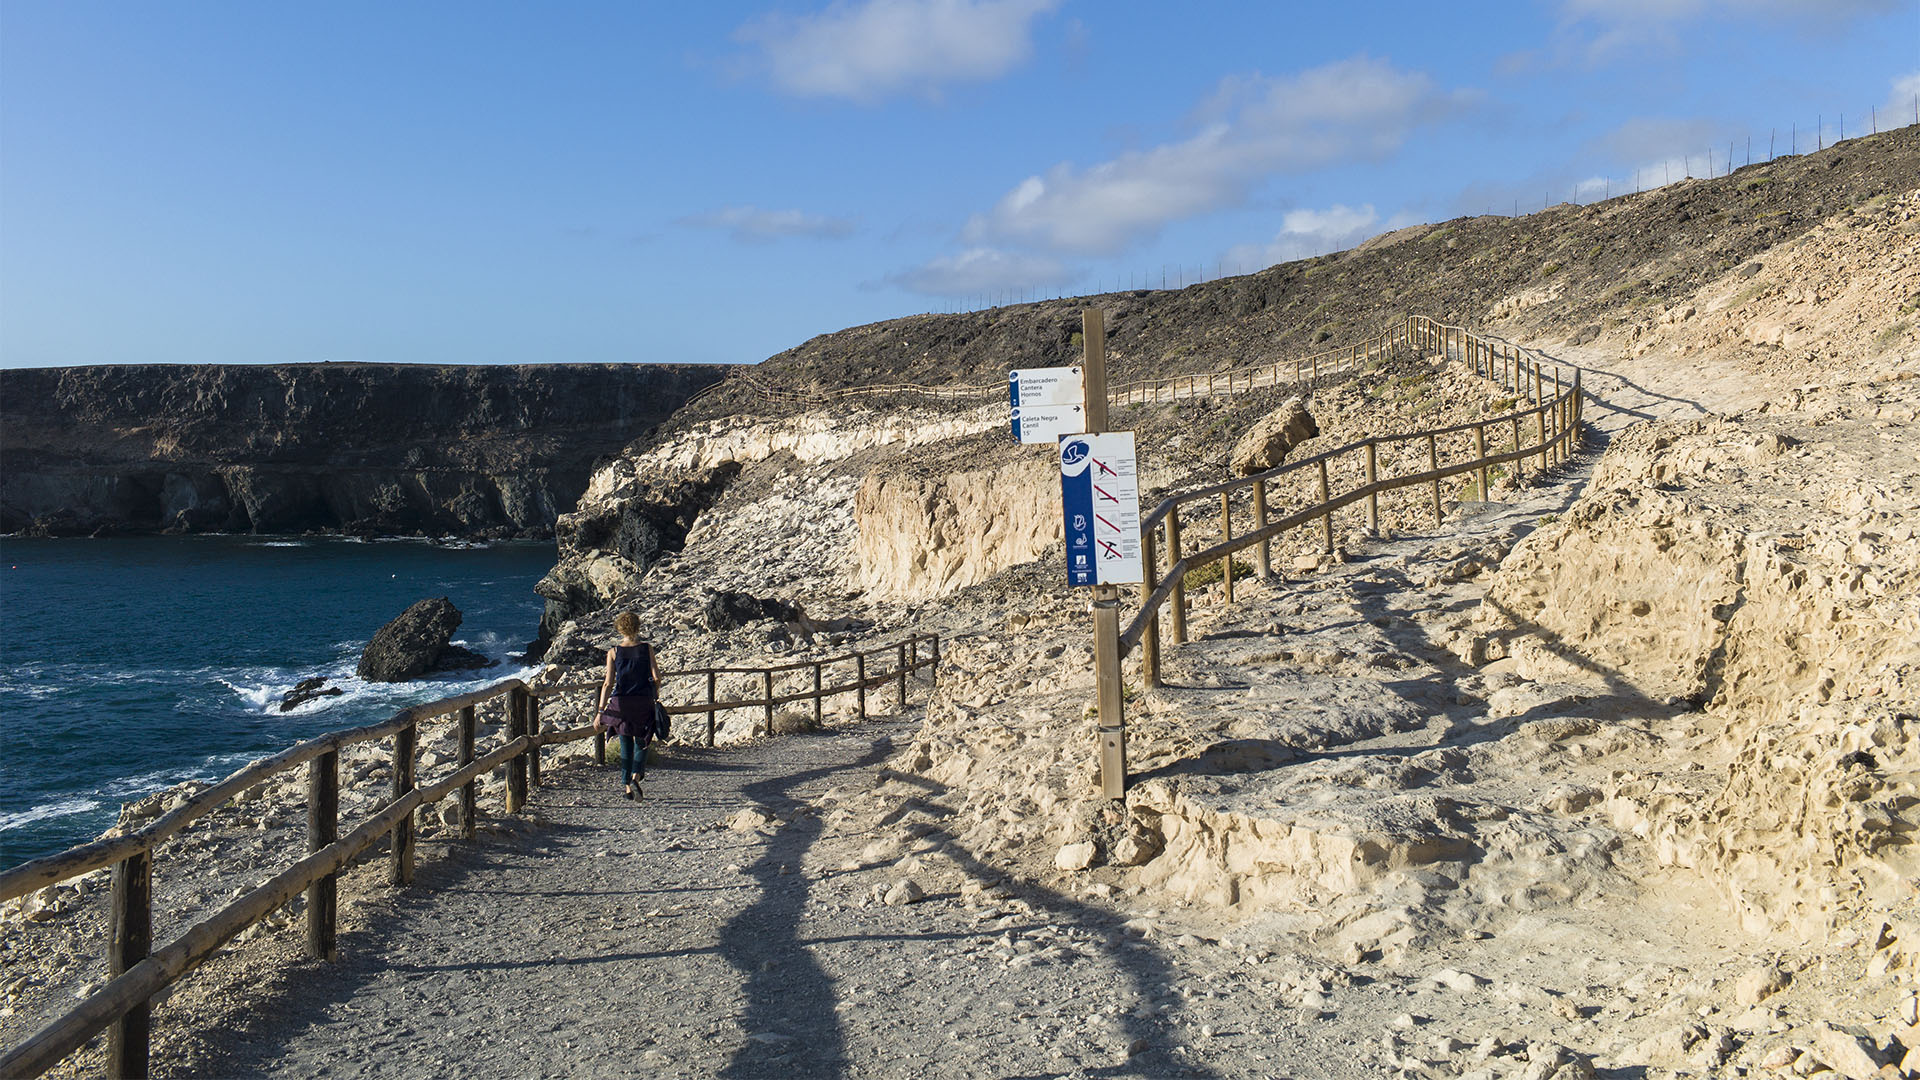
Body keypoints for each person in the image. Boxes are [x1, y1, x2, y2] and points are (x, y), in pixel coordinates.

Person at [595, 611, 661, 800]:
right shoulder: (647, 649)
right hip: (643, 701)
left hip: (622, 702)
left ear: (619, 629)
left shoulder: (614, 652)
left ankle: (627, 787)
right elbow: (656, 677)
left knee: (625, 743)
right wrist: (655, 694)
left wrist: (600, 711)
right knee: (643, 740)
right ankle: (636, 775)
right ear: (638, 627)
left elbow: (608, 683)